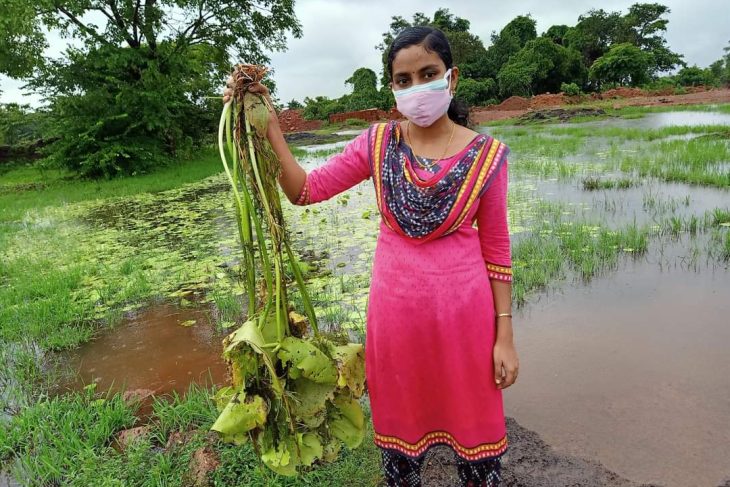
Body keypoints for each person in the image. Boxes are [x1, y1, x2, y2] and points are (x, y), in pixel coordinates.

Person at [223, 25, 519, 487]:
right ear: (393, 87)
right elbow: (305, 189)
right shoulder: (378, 145)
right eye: (404, 80)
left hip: (467, 325)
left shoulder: (488, 156)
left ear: (452, 77)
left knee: (478, 457)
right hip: (395, 324)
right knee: (401, 459)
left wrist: (504, 337)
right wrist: (270, 127)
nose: (417, 88)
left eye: (429, 74)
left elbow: (497, 250)